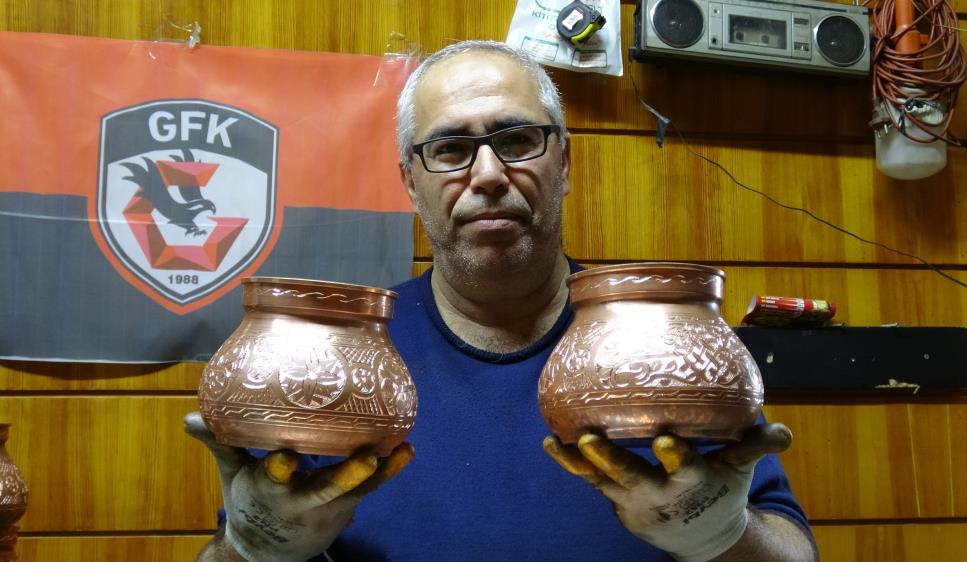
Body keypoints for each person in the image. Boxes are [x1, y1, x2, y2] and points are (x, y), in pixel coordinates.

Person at [185, 40, 819, 562]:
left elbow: (793, 551)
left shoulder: (668, 347)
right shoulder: (334, 359)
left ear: (564, 163)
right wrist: (252, 548)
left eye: (516, 140)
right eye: (449, 149)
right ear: (410, 181)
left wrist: (722, 538)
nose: (487, 175)